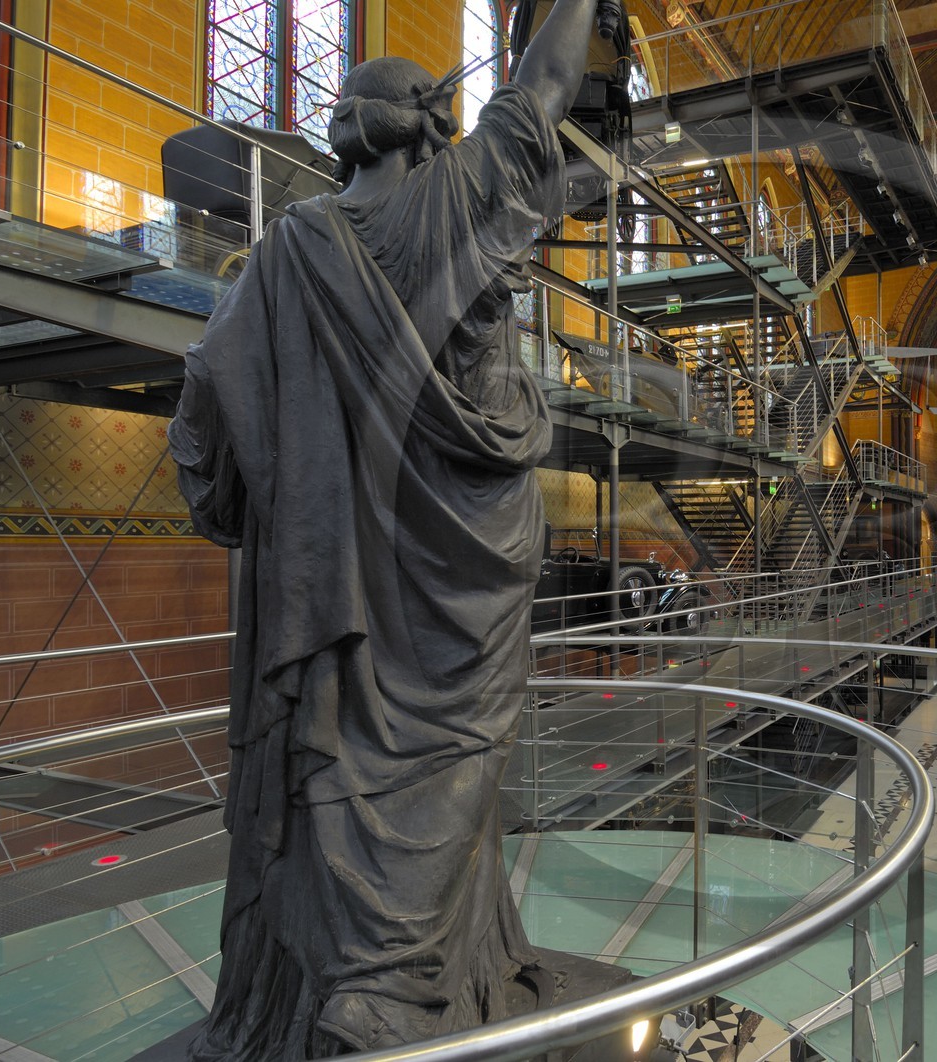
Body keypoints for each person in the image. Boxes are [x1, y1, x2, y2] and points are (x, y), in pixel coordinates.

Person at [168, 3, 608, 1055]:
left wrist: (264, 491)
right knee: (453, 753)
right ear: (427, 125)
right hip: (465, 563)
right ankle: (401, 992)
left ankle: (358, 983)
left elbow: (204, 402)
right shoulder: (458, 199)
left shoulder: (286, 251)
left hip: (338, 578)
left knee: (342, 748)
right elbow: (542, 85)